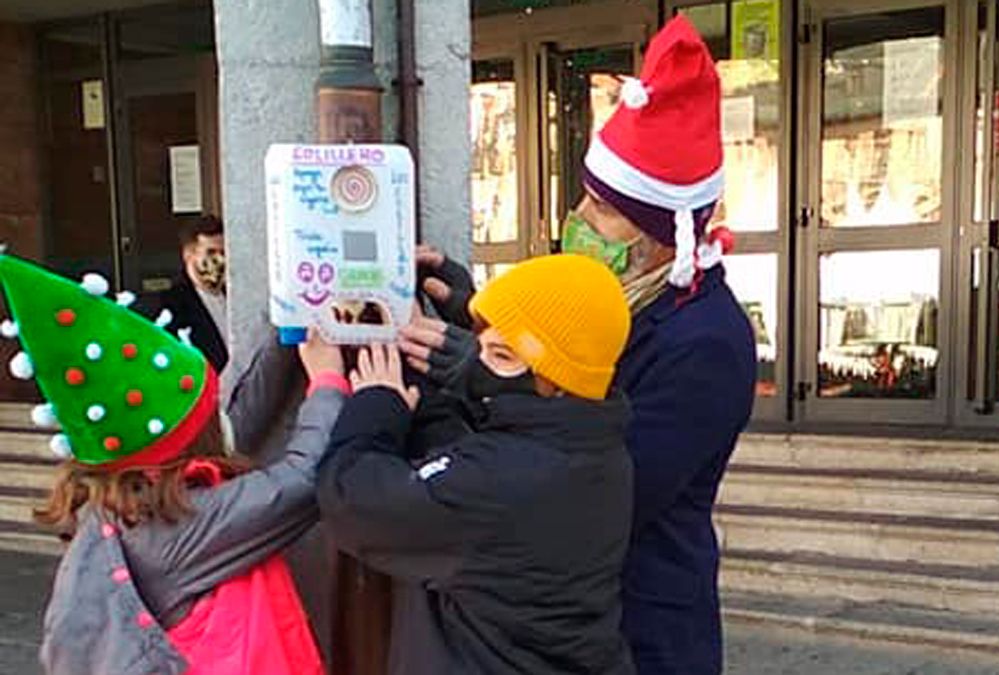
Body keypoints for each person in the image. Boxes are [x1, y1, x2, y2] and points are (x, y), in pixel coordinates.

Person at [404, 16, 757, 675]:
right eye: (587, 198)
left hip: (642, 630)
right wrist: (477, 310)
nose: (581, 219)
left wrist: (481, 370)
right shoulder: (632, 294)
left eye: (604, 209)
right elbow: (560, 353)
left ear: (662, 236)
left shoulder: (707, 342)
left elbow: (603, 491)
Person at [0, 254, 349, 674]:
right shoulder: (181, 524)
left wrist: (286, 316)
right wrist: (328, 379)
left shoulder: (120, 507)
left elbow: (246, 413)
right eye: (211, 410)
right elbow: (303, 479)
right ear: (192, 440)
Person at [318, 254, 635, 674]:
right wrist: (424, 388)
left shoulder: (499, 480)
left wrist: (375, 404)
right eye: (479, 342)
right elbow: (463, 458)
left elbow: (352, 498)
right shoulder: (594, 444)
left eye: (501, 355)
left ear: (558, 377)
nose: (479, 364)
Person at [160, 214, 229, 372]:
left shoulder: (236, 297)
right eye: (210, 252)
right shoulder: (172, 305)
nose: (219, 259)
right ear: (188, 255)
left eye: (223, 252)